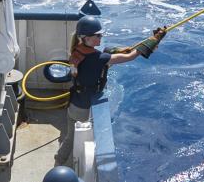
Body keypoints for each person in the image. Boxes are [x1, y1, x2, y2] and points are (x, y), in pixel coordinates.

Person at [54, 15, 166, 167]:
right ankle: (60, 164)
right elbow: (131, 57)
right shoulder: (97, 58)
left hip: (73, 103)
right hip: (83, 108)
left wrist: (120, 50)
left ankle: (59, 160)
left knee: (69, 136)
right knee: (72, 138)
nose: (101, 37)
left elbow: (107, 53)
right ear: (86, 38)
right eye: (98, 35)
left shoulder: (77, 50)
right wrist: (154, 39)